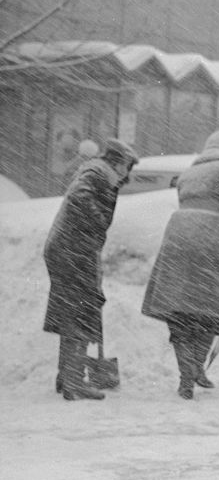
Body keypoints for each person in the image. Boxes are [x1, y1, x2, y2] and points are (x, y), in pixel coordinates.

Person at [141, 130, 219, 399]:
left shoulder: (188, 173)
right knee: (211, 306)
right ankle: (196, 368)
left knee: (181, 309)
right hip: (212, 234)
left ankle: (188, 374)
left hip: (178, 234)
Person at [43, 138, 138, 400]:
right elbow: (80, 197)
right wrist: (95, 225)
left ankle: (67, 377)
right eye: (127, 166)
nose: (126, 173)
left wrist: (92, 237)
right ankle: (74, 382)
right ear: (118, 161)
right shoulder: (98, 173)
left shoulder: (94, 171)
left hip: (68, 248)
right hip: (74, 250)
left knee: (73, 311)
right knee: (81, 312)